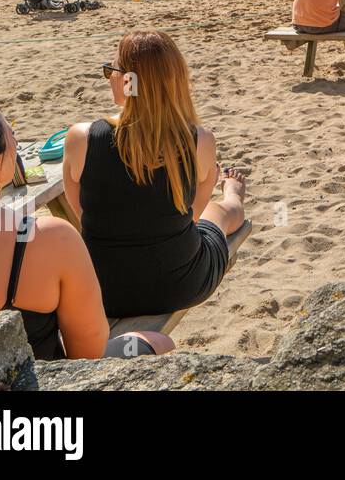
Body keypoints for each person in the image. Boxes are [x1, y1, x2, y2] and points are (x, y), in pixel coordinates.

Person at [0, 99, 170, 359]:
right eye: (11, 134)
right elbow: (89, 356)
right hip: (42, 381)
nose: (16, 142)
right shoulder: (49, 239)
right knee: (157, 341)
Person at [62, 31, 248, 319]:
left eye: (111, 71)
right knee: (218, 212)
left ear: (128, 82)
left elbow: (82, 213)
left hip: (105, 291)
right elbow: (193, 215)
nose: (110, 77)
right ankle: (233, 194)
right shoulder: (200, 139)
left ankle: (229, 196)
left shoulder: (81, 138)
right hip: (181, 284)